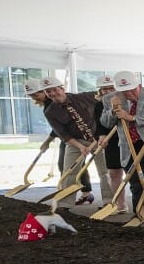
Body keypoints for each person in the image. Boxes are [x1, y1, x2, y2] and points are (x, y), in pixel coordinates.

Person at [100, 70, 144, 208]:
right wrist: (113, 111)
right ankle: (140, 210)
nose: (129, 94)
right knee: (136, 183)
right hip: (129, 145)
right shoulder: (110, 99)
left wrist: (132, 118)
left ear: (138, 85)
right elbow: (106, 123)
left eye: (132, 90)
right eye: (124, 91)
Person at [42, 76, 110, 207]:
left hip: (98, 139)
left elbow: (103, 95)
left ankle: (110, 202)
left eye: (54, 90)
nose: (52, 94)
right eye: (48, 92)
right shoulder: (50, 111)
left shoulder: (85, 97)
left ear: (62, 88)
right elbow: (63, 134)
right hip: (76, 141)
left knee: (105, 171)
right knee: (69, 172)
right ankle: (65, 204)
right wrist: (80, 147)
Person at [93, 74, 127, 213]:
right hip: (111, 141)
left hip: (129, 138)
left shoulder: (128, 101)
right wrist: (101, 136)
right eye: (104, 89)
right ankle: (120, 205)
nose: (107, 92)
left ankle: (142, 202)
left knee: (135, 172)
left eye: (110, 88)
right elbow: (99, 125)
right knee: (114, 173)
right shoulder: (99, 105)